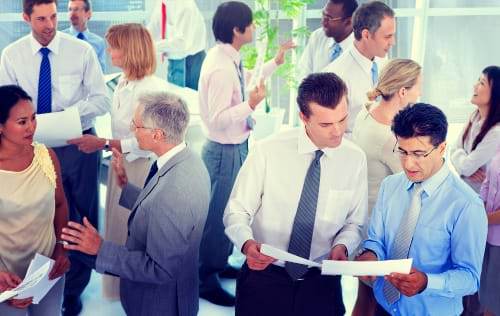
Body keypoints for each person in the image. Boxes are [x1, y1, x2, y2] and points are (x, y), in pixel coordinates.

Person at [223, 72, 368, 316]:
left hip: (321, 285)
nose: (337, 131)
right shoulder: (268, 151)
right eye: (325, 124)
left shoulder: (355, 159)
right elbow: (237, 210)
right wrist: (247, 244)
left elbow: (355, 221)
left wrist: (343, 245)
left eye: (342, 120)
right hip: (264, 279)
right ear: (303, 117)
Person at [0, 1, 110, 314]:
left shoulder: (81, 51)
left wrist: (69, 117)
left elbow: (101, 99)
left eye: (53, 17)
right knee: (34, 215)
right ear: (25, 18)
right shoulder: (11, 56)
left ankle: (72, 292)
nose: (49, 25)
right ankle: (22, 285)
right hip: (27, 149)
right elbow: (5, 105)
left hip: (76, 145)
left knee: (80, 219)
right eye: (40, 19)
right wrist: (36, 125)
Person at [61, 91, 210, 316]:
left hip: (159, 305)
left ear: (158, 134)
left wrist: (101, 248)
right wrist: (126, 187)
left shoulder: (175, 191)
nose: (132, 129)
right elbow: (159, 211)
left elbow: (159, 269)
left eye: (137, 125)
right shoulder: (188, 159)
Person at [197, 0, 295, 306]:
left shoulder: (229, 59)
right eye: (250, 25)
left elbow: (248, 78)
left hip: (234, 146)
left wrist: (276, 61)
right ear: (237, 30)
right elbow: (215, 118)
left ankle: (219, 262)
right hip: (223, 151)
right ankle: (205, 277)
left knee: (229, 211)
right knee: (217, 217)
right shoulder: (221, 67)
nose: (254, 28)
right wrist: (251, 105)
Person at [66, 22, 168, 300]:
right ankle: (124, 293)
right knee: (119, 229)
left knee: (135, 233)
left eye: (114, 47)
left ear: (130, 50)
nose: (109, 51)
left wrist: (104, 144)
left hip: (141, 170)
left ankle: (139, 294)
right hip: (122, 167)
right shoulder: (122, 82)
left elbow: (149, 143)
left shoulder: (151, 89)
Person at [356, 103, 488, 315]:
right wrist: (371, 255)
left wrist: (427, 282)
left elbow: (470, 279)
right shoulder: (390, 186)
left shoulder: (466, 205)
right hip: (384, 308)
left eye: (418, 153)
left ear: (442, 148)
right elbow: (376, 240)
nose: (408, 163)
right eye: (402, 151)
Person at [352, 59, 422, 316]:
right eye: (418, 87)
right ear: (403, 92)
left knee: (365, 297)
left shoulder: (365, 112)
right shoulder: (390, 138)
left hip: (360, 219)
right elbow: (415, 178)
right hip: (378, 229)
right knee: (376, 300)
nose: (420, 94)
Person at [0, 85, 70, 315]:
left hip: (47, 269)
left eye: (33, 118)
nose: (31, 127)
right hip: (7, 279)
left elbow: (59, 204)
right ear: (1, 126)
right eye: (22, 122)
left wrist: (61, 248)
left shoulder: (46, 155)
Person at [324, 1, 395, 136]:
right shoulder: (335, 76)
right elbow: (331, 134)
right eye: (387, 36)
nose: (393, 42)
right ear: (366, 35)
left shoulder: (382, 62)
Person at [450, 66, 500, 193]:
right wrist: (465, 167)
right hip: (466, 192)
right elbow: (452, 150)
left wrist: (465, 167)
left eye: (482, 83)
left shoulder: (496, 132)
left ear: (495, 93)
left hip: (482, 201)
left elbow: (466, 167)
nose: (475, 86)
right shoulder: (475, 116)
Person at [147, 0, 207, 90]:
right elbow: (153, 29)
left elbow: (182, 43)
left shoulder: (185, 5)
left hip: (190, 61)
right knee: (175, 97)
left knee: (189, 99)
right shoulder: (163, 3)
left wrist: (148, 47)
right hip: (175, 59)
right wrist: (138, 42)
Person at [298, 0, 358, 81]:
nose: (323, 22)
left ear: (348, 21)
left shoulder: (362, 46)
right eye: (323, 15)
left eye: (329, 18)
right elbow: (303, 73)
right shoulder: (317, 37)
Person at [479, 147, 500, 316]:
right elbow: (487, 182)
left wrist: (480, 220)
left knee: (495, 300)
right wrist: (480, 209)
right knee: (487, 294)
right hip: (488, 236)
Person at [62, 0, 106, 72]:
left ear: (88, 14)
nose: (72, 13)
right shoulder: (60, 39)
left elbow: (101, 74)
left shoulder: (99, 43)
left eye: (76, 9)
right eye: (70, 9)